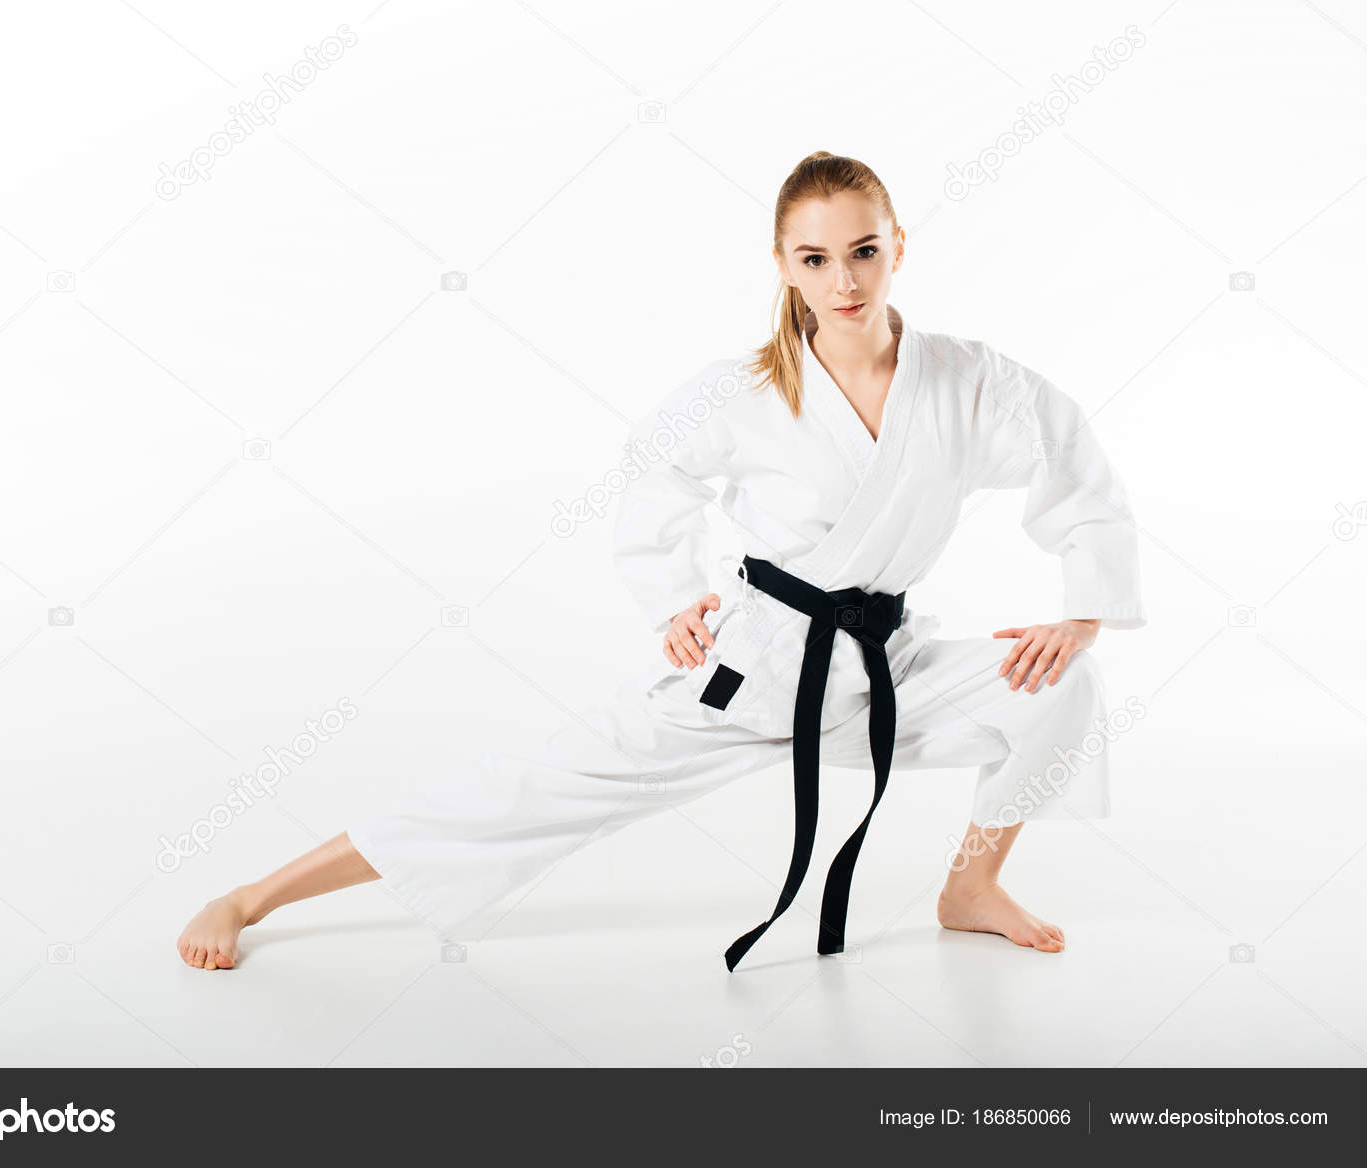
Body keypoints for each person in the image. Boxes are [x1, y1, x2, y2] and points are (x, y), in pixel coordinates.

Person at [176, 152, 1145, 972]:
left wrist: (1083, 608)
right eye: (816, 259)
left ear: (898, 246)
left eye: (862, 251)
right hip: (749, 673)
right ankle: (254, 896)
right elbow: (649, 477)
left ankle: (971, 882)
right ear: (782, 264)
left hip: (886, 668)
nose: (844, 281)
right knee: (525, 791)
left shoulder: (968, 383)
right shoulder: (744, 391)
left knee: (1060, 687)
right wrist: (673, 595)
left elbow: (1073, 462)